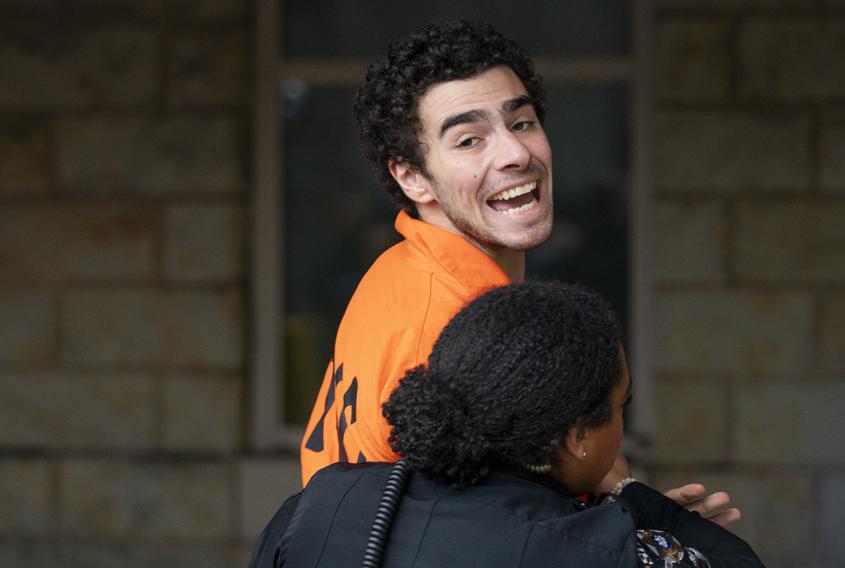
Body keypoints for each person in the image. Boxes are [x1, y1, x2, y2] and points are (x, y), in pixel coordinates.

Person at [299, 19, 739, 526]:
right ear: (412, 176)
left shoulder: (404, 267)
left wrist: (640, 514)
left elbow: (558, 457)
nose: (515, 153)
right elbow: (489, 535)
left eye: (522, 122)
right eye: (469, 140)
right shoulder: (455, 325)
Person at [253, 283, 764, 567]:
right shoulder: (603, 553)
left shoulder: (319, 503)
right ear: (578, 436)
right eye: (620, 406)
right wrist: (634, 495)